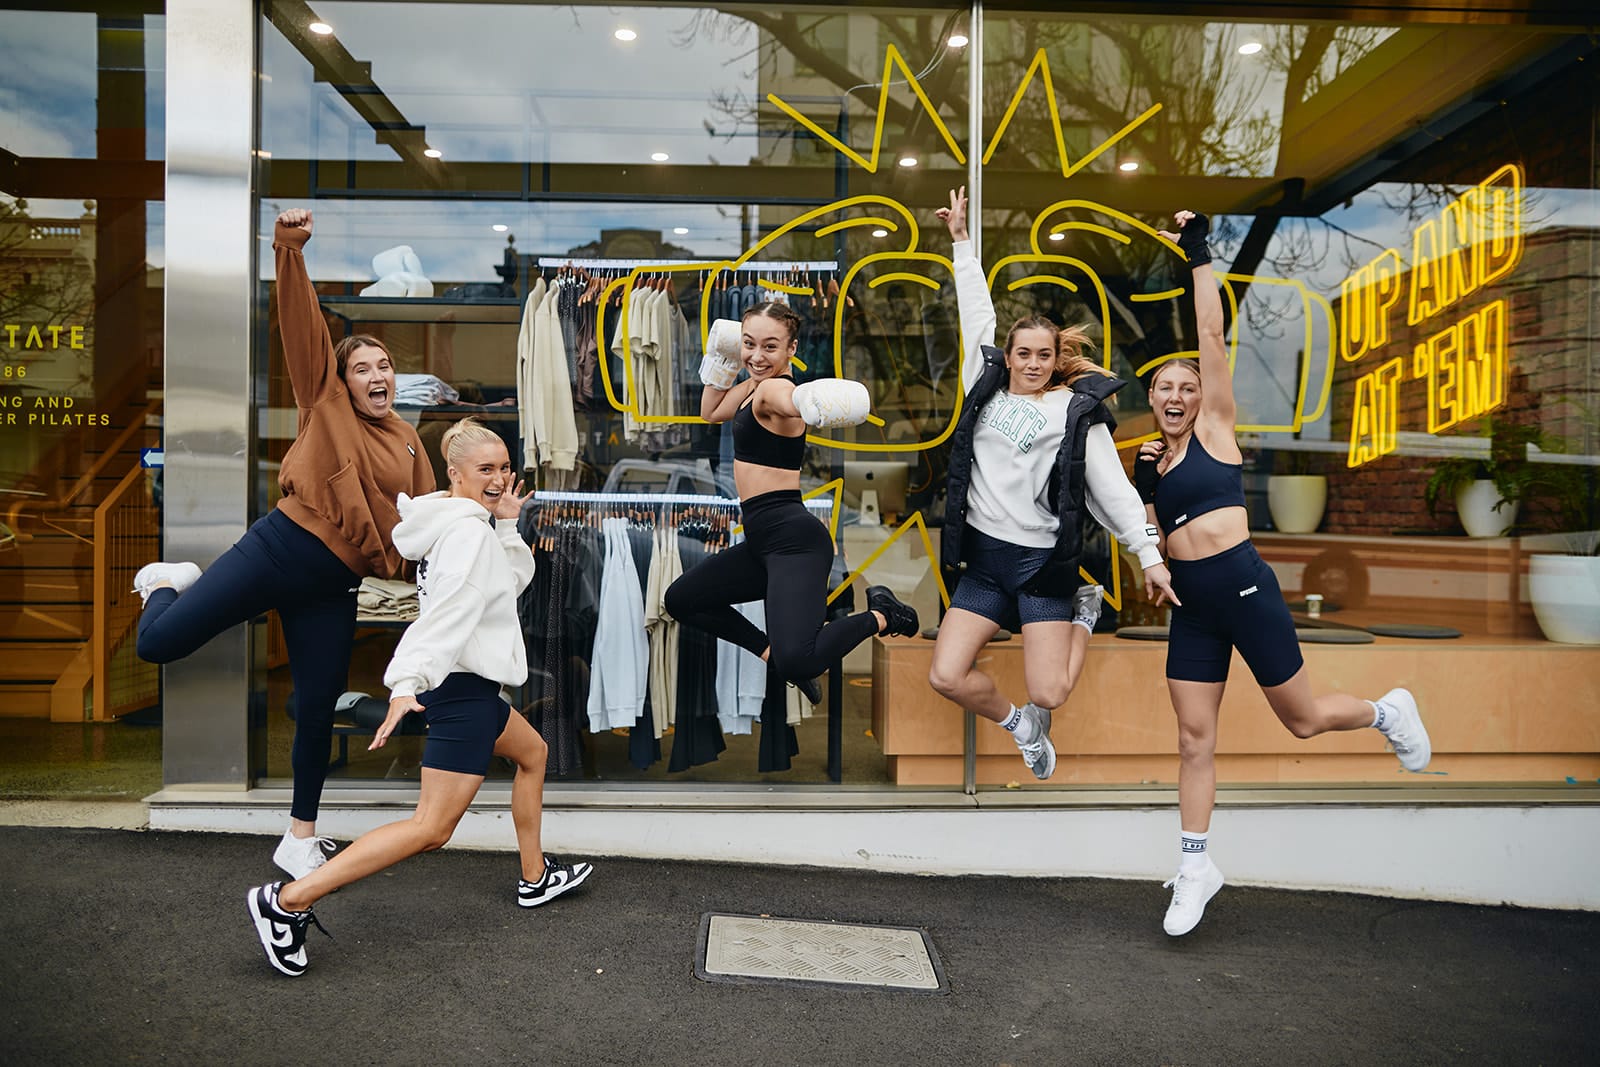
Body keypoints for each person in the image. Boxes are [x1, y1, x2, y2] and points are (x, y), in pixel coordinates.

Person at [1139, 210, 1431, 937]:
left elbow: (1210, 336)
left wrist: (1198, 250)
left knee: (1301, 720)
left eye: (1185, 387)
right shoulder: (1153, 461)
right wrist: (1149, 553)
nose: (1176, 396)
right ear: (1150, 401)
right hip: (1194, 610)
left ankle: (1386, 711)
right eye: (1163, 390)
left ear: (1200, 397)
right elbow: (1151, 528)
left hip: (1243, 588)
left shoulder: (1214, 430)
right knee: (1192, 740)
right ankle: (1196, 863)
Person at [134, 208, 436, 880]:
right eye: (363, 366)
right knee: (158, 644)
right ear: (342, 379)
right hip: (279, 549)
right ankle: (163, 582)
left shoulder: (412, 443)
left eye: (385, 365)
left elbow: (424, 526)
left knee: (318, 705)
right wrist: (290, 248)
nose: (377, 374)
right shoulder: (321, 403)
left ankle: (300, 834)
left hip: (334, 585)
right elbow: (303, 324)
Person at [247, 418, 593, 977]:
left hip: (468, 687)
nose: (501, 479)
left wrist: (507, 526)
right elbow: (449, 613)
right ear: (454, 474)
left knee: (533, 755)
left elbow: (499, 590)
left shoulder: (461, 525)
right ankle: (287, 902)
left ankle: (535, 877)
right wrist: (406, 682)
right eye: (486, 470)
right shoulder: (467, 534)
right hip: (462, 691)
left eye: (505, 467)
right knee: (430, 829)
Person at [929, 186, 1177, 780]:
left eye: (1044, 354)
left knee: (1053, 690)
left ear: (1054, 357)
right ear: (1007, 356)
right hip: (988, 559)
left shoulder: (1074, 411)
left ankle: (1082, 617)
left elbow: (1114, 489)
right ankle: (1020, 727)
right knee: (946, 675)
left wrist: (1147, 554)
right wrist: (962, 243)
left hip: (1043, 564)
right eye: (1024, 353)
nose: (1034, 362)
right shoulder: (981, 384)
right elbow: (976, 315)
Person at [663, 301, 920, 704]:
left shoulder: (773, 390)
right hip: (764, 542)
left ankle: (884, 614)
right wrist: (724, 353)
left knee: (801, 661)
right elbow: (710, 410)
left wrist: (804, 402)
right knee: (681, 599)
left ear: (792, 349)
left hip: (794, 541)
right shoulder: (751, 385)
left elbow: (787, 399)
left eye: (770, 346)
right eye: (749, 344)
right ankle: (770, 654)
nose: (757, 356)